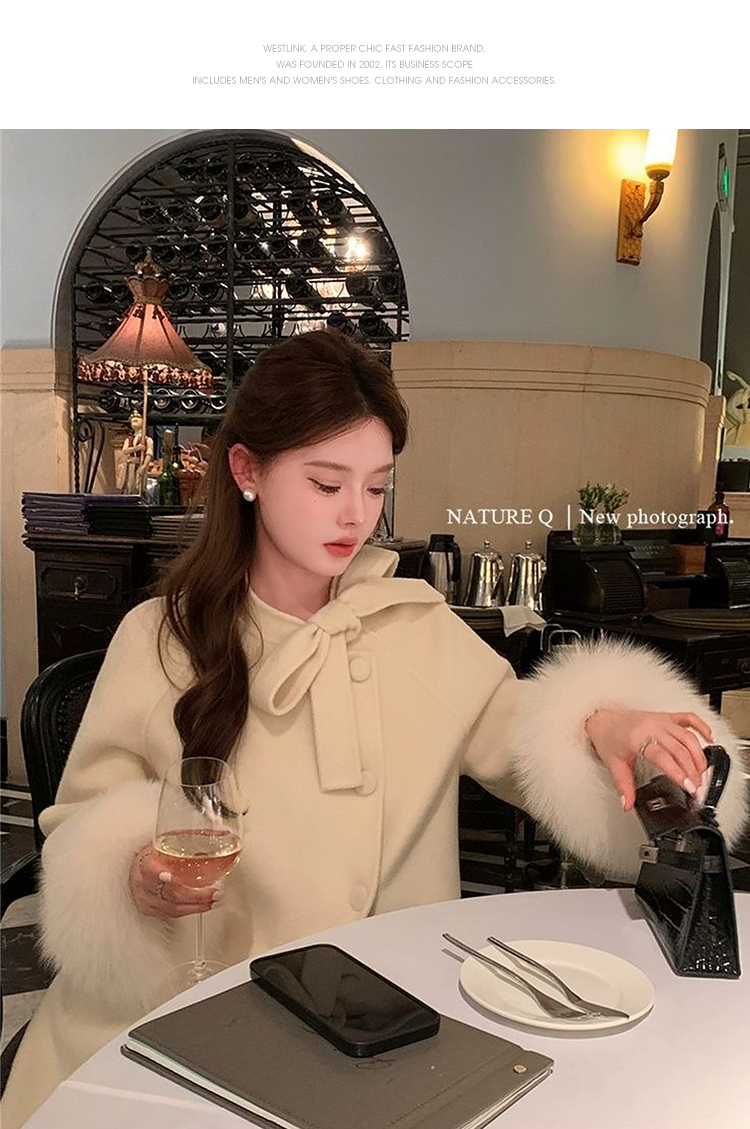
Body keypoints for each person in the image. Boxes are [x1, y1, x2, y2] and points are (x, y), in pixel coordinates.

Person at [2, 330, 747, 1127]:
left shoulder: (412, 623)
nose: (355, 515)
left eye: (376, 486)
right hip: (200, 1013)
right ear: (246, 470)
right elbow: (88, 831)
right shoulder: (163, 638)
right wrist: (136, 876)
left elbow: (529, 744)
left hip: (389, 1018)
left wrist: (608, 719)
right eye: (326, 483)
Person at [114, 409, 154, 495]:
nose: (135, 420)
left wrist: (144, 466)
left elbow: (149, 454)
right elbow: (124, 451)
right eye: (132, 420)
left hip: (140, 464)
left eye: (137, 418)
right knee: (129, 485)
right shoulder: (129, 439)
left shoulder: (147, 440)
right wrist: (136, 448)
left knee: (139, 486)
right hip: (130, 465)